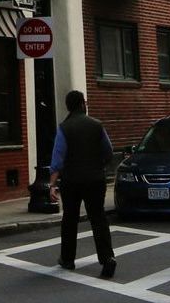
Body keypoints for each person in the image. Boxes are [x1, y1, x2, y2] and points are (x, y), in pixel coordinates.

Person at [49, 89, 116, 279]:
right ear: (82, 104)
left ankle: (68, 259)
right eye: (84, 102)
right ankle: (107, 258)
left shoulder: (64, 128)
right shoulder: (97, 125)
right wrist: (98, 166)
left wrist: (52, 185)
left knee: (70, 218)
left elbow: (58, 159)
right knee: (98, 218)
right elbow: (109, 151)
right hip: (95, 179)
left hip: (71, 180)